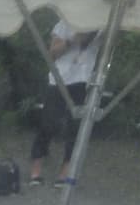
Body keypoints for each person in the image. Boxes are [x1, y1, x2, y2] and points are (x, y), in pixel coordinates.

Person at [29, 20, 100, 187]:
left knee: (75, 128)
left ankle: (65, 173)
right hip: (59, 79)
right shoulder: (64, 22)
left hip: (83, 80)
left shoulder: (101, 24)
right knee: (48, 124)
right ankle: (36, 170)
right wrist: (73, 40)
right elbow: (52, 53)